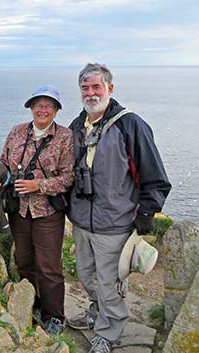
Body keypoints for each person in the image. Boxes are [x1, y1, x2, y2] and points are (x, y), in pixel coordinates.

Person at [66, 63, 171, 353]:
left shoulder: (130, 124)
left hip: (115, 222)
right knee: (87, 275)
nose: (90, 93)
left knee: (109, 282)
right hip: (82, 221)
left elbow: (155, 175)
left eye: (96, 87)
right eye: (85, 88)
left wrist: (147, 212)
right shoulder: (77, 126)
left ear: (110, 89)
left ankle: (108, 332)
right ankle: (96, 312)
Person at [0, 84, 74, 335]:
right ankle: (32, 302)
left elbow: (68, 178)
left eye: (48, 105)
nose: (43, 110)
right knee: (24, 260)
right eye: (38, 105)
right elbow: (3, 164)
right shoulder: (16, 133)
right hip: (19, 211)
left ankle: (55, 315)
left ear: (56, 110)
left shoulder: (65, 137)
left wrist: (40, 185)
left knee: (50, 266)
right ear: (31, 108)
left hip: (47, 212)